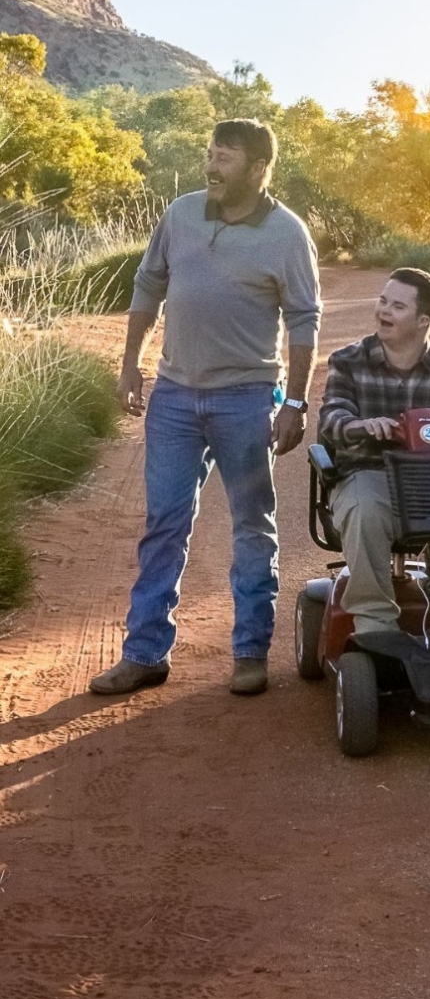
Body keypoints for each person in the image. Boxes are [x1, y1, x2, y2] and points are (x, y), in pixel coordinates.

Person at [89, 118, 321, 697]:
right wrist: (128, 363)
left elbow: (303, 320)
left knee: (252, 527)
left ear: (259, 168)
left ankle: (249, 652)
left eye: (225, 158)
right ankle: (144, 653)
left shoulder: (287, 234)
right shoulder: (181, 214)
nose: (212, 167)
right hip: (172, 396)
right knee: (164, 525)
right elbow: (148, 284)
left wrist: (294, 401)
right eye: (210, 155)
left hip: (244, 399)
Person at [318, 268, 430, 635]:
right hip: (368, 472)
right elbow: (332, 417)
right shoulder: (348, 361)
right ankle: (374, 623)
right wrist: (361, 426)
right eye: (383, 301)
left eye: (397, 306)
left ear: (423, 320)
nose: (384, 311)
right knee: (365, 509)